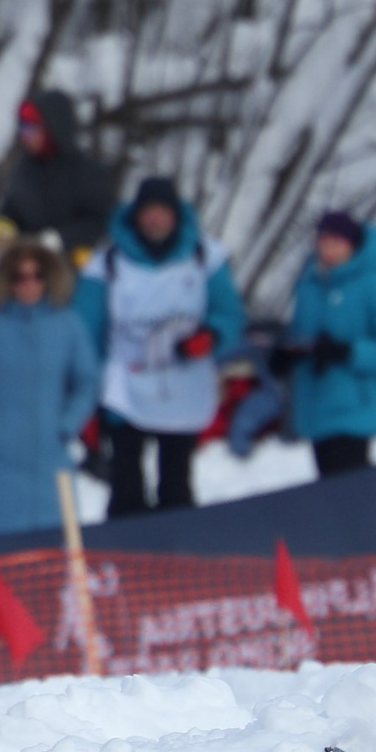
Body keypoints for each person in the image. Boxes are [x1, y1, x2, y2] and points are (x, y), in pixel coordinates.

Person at [76, 177, 247, 517]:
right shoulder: (106, 263)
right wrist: (87, 390)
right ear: (136, 216)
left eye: (162, 213)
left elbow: (229, 314)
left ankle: (178, 554)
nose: (155, 220)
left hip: (184, 381)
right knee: (125, 481)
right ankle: (125, 554)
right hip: (124, 384)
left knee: (176, 481)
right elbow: (84, 331)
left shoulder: (205, 256)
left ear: (175, 216)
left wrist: (210, 337)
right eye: (148, 213)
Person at [0, 237, 101, 538]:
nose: (28, 284)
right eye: (19, 277)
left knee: (56, 544)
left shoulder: (67, 324)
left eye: (37, 276)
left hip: (52, 454)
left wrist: (67, 424)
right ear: (6, 280)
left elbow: (87, 380)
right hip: (0, 459)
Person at [275, 210, 376, 477]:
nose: (328, 249)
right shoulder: (310, 286)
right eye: (323, 241)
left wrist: (347, 351)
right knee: (331, 493)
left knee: (351, 490)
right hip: (316, 407)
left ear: (354, 245)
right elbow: (301, 335)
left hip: (355, 408)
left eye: (337, 242)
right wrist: (287, 354)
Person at [0, 90, 119, 259]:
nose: (25, 135)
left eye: (31, 127)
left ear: (53, 126)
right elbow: (12, 209)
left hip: (76, 269)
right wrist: (3, 227)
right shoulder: (24, 170)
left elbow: (104, 221)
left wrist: (61, 239)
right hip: (29, 269)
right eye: (22, 127)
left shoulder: (87, 172)